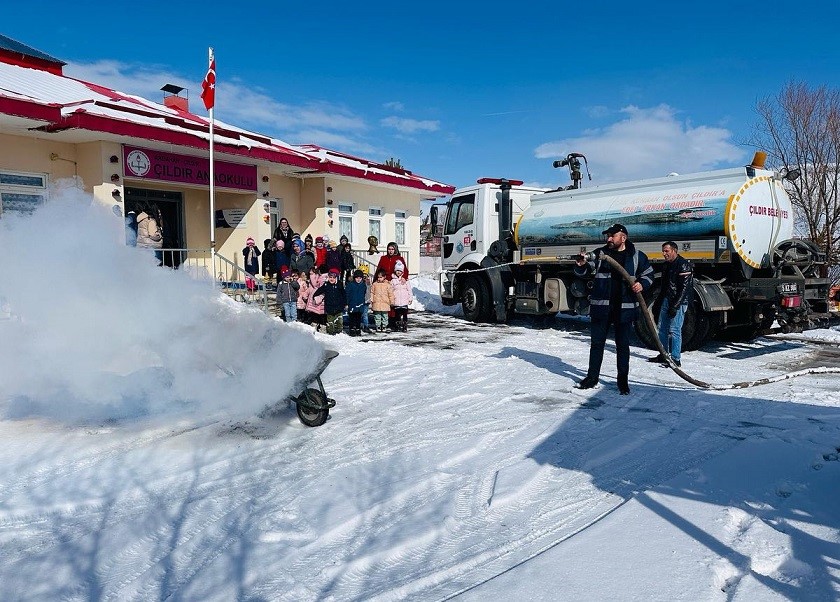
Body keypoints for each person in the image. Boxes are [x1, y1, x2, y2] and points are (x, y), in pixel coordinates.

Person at [574, 223, 654, 395]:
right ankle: (592, 378)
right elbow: (586, 271)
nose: (608, 239)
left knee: (623, 346)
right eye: (607, 236)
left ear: (623, 237)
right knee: (596, 344)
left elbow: (649, 275)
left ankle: (622, 381)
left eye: (612, 235)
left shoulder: (636, 256)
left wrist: (642, 284)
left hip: (624, 309)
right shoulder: (600, 254)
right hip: (601, 309)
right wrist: (581, 265)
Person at [648, 241, 694, 367]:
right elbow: (665, 286)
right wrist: (658, 302)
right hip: (667, 299)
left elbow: (684, 289)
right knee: (662, 328)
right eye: (663, 251)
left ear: (674, 250)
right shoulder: (666, 265)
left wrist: (675, 306)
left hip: (679, 302)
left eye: (666, 251)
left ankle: (675, 358)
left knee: (675, 330)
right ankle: (663, 355)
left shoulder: (683, 265)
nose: (664, 254)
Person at [376, 242, 408, 329]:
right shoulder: (383, 258)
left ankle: (395, 321)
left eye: (392, 249)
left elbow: (405, 270)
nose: (390, 251)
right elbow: (379, 270)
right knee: (386, 301)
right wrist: (376, 280)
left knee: (394, 301)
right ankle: (387, 320)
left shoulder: (399, 258)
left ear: (395, 249)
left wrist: (404, 277)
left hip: (395, 282)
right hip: (386, 282)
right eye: (389, 249)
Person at [313, 267, 346, 335]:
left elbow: (344, 294)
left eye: (333, 277)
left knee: (339, 322)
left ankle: (339, 333)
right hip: (329, 307)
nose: (332, 279)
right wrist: (314, 295)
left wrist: (345, 303)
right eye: (330, 277)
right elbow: (320, 290)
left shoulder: (339, 284)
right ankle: (330, 333)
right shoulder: (326, 285)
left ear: (336, 278)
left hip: (338, 307)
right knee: (330, 322)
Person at [370, 268, 395, 333]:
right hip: (377, 303)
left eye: (381, 277)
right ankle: (378, 325)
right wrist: (371, 300)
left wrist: (392, 301)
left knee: (385, 316)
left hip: (385, 303)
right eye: (378, 277)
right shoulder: (375, 284)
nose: (379, 279)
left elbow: (391, 294)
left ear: (384, 277)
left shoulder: (387, 285)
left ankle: (384, 325)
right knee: (377, 315)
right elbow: (372, 292)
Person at [390, 261, 413, 332]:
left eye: (400, 271)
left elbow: (409, 290)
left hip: (404, 301)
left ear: (402, 272)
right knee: (397, 315)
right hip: (396, 301)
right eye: (397, 270)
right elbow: (390, 291)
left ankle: (405, 325)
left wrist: (410, 298)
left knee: (405, 314)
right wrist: (391, 300)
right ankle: (398, 325)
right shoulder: (393, 280)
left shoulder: (405, 280)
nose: (398, 272)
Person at [345, 269, 367, 336]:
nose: (358, 279)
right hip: (352, 304)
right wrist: (346, 303)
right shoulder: (350, 285)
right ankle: (352, 328)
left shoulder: (363, 285)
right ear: (354, 278)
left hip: (360, 304)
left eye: (360, 278)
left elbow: (364, 294)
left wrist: (364, 303)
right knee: (352, 318)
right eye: (357, 278)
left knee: (358, 317)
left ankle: (358, 328)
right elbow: (347, 294)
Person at [306, 265, 326, 331]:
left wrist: (312, 275)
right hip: (322, 298)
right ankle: (321, 324)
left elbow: (315, 285)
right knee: (321, 312)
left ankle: (318, 323)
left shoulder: (322, 278)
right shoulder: (326, 277)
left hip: (319, 297)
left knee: (316, 311)